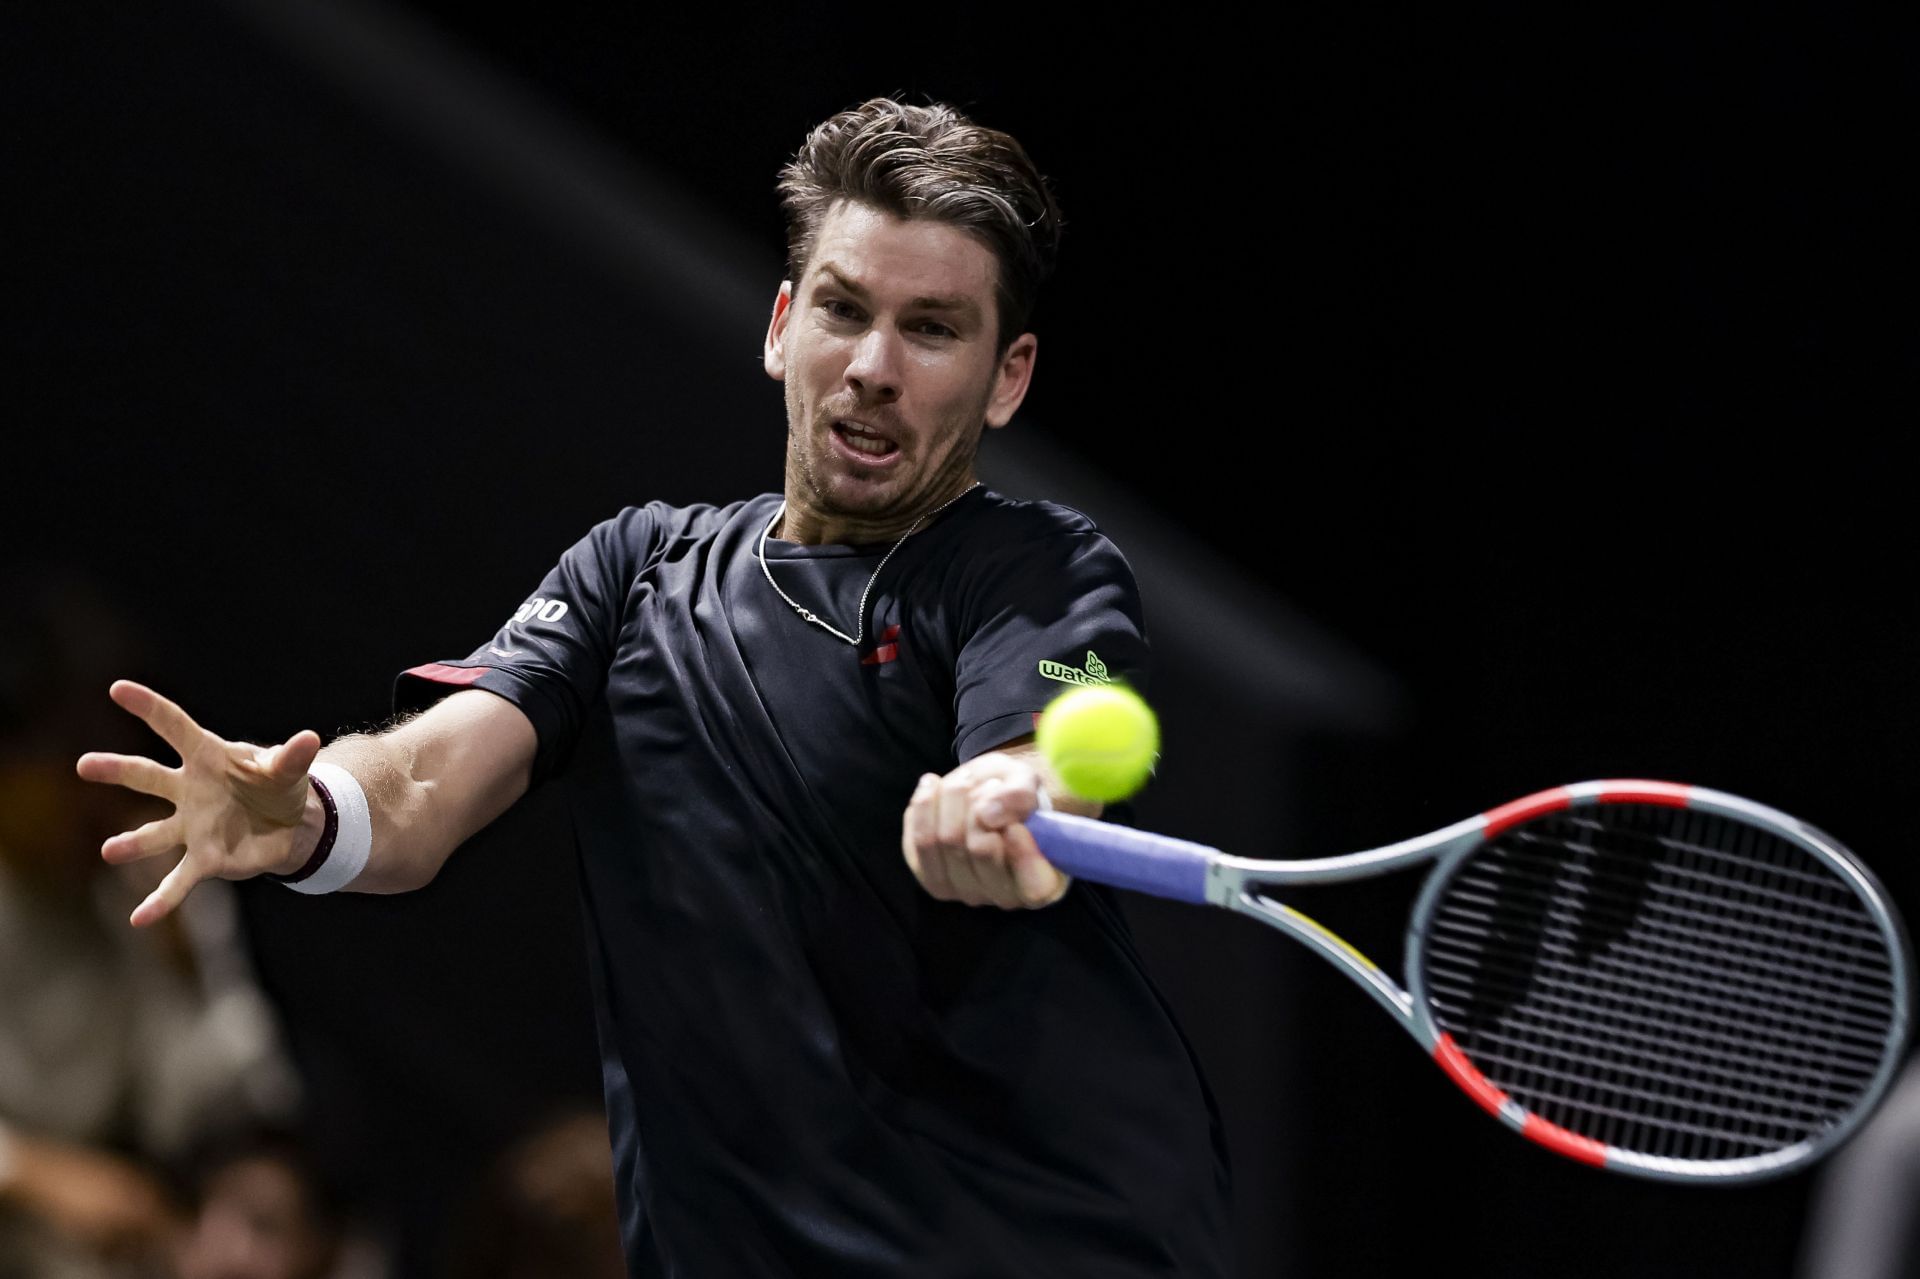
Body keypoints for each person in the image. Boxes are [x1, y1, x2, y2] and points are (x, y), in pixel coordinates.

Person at [79, 97, 1234, 1276]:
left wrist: (1006, 800)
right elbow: (426, 778)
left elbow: (1043, 757)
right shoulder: (635, 573)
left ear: (1007, 376)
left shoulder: (1032, 569)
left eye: (933, 329)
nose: (874, 367)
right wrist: (316, 806)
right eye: (843, 309)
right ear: (783, 325)